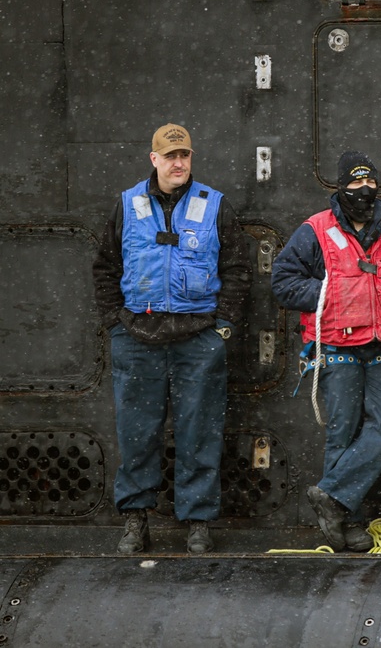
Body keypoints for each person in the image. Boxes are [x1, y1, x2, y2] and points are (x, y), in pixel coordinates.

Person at [93, 123, 251, 554]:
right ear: (154, 159)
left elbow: (238, 270)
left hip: (197, 338)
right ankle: (135, 520)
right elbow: (105, 267)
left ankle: (197, 521)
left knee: (199, 431)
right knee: (137, 433)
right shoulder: (127, 206)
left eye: (185, 155)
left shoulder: (214, 206)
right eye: (170, 156)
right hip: (137, 336)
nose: (179, 163)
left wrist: (223, 328)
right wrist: (114, 321)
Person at [271, 151, 381, 552]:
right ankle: (346, 526)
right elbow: (283, 283)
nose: (364, 190)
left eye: (370, 183)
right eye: (355, 184)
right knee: (343, 433)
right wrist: (331, 293)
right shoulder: (313, 231)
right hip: (336, 347)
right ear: (340, 188)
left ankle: (331, 495)